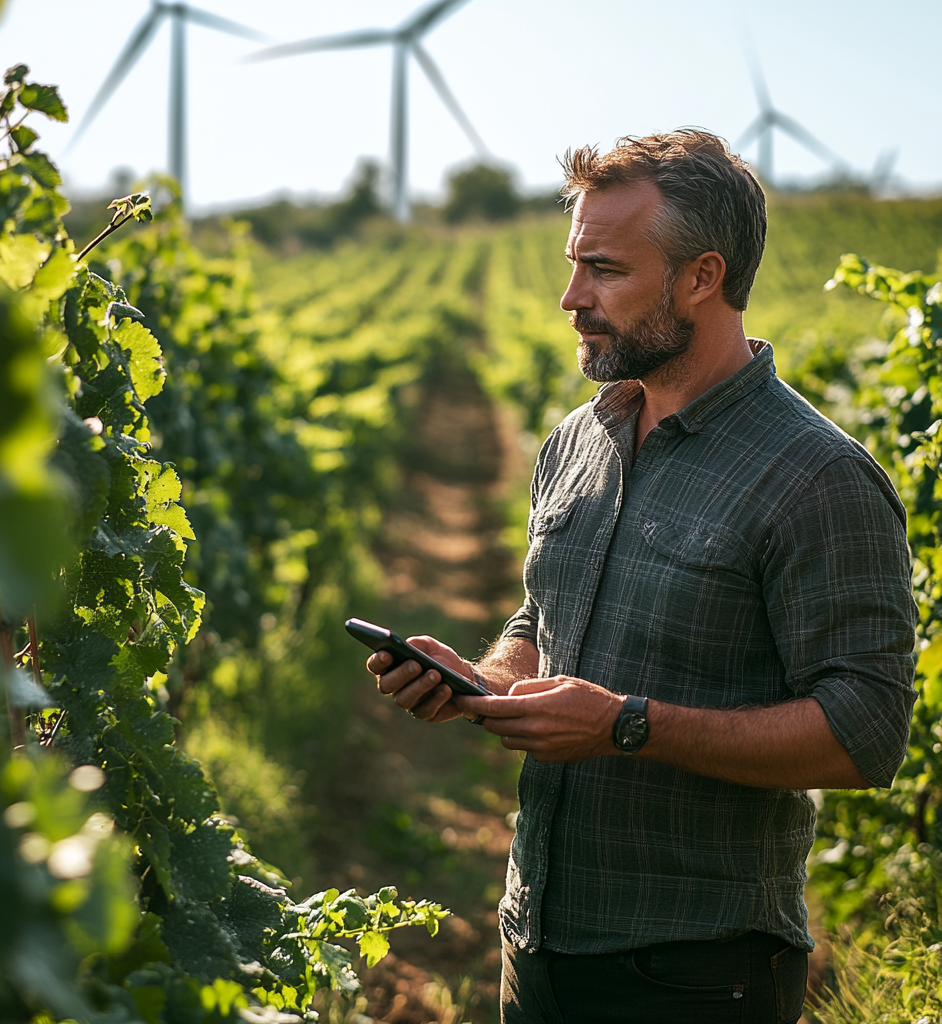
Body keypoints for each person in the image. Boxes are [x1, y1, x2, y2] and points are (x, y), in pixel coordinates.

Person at [366, 130, 917, 1024]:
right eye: (573, 263)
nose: (569, 297)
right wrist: (488, 679)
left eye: (606, 271)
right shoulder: (580, 436)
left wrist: (627, 726)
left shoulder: (817, 478)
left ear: (702, 277)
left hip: (697, 971)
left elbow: (867, 733)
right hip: (535, 939)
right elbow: (544, 609)